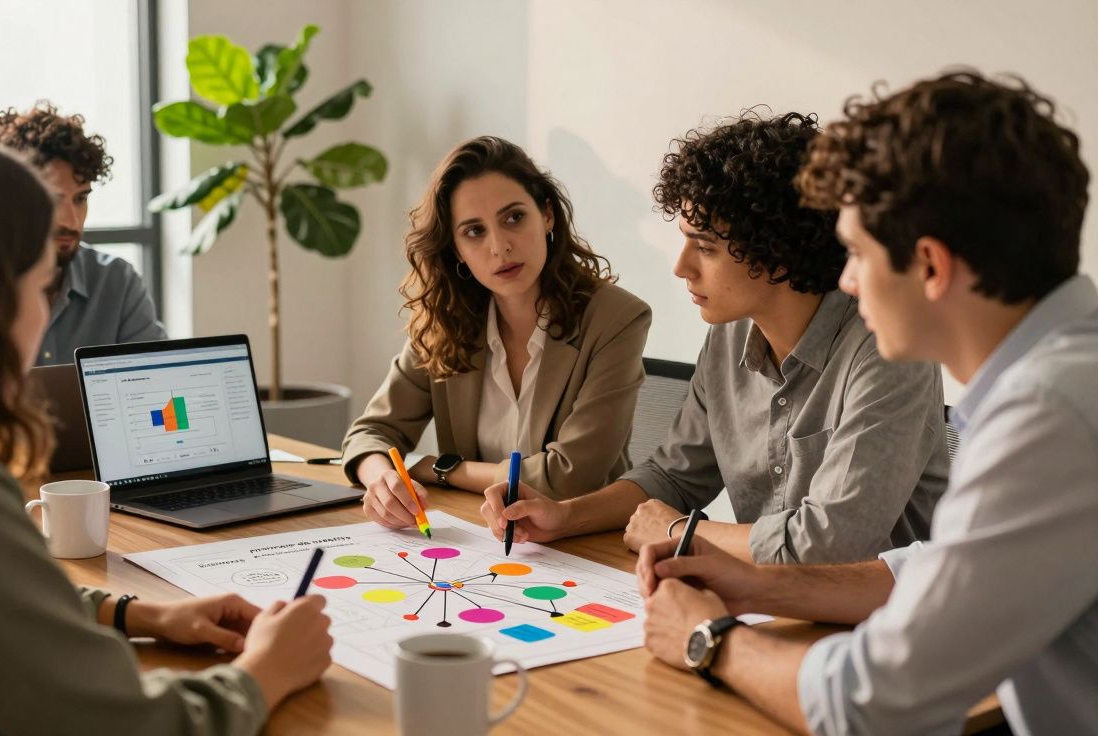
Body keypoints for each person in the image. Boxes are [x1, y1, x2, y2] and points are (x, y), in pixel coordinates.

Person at [0, 130, 332, 734]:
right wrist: (266, 671)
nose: (45, 310)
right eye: (40, 283)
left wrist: (135, 613)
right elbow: (121, 726)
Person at [636, 71, 1098, 735]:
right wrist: (757, 586)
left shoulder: (1048, 419)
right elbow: (936, 574)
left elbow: (872, 704)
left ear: (931, 267)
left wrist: (710, 637)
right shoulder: (1062, 379)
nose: (845, 277)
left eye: (854, 251)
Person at [481, 112, 948, 564]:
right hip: (763, 600)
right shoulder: (729, 335)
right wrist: (563, 516)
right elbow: (674, 477)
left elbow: (833, 543)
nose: (681, 266)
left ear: (777, 252)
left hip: (875, 624)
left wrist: (679, 532)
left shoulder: (889, 351)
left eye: (704, 246)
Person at [343, 136, 651, 528]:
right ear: (456, 249)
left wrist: (439, 469)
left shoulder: (615, 318)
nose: (500, 247)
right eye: (474, 231)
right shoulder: (447, 320)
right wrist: (381, 480)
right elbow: (370, 433)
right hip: (479, 535)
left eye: (514, 218)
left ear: (547, 216)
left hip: (582, 545)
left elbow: (569, 477)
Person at [0, 102, 167, 366]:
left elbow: (157, 389)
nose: (71, 220)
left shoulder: (116, 282)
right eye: (53, 200)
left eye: (80, 199)